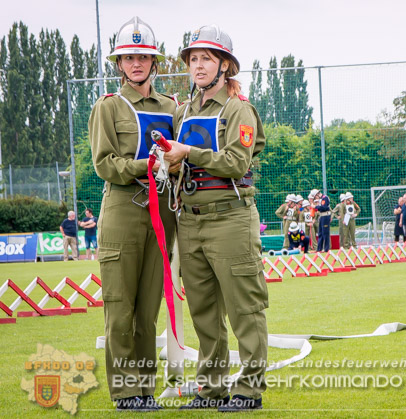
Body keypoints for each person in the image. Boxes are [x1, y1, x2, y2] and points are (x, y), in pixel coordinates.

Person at [161, 25, 267, 412]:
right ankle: (211, 388)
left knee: (244, 307)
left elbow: (238, 162)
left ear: (225, 65)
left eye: (206, 58)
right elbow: (177, 161)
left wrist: (189, 152)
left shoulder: (239, 108)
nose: (198, 65)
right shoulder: (184, 111)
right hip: (190, 220)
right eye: (193, 59)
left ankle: (250, 389)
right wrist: (170, 164)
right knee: (204, 312)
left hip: (230, 218)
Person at [88, 16, 177, 411]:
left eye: (143, 56)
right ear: (119, 64)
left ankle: (145, 389)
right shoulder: (108, 107)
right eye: (128, 57)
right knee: (120, 307)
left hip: (162, 215)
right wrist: (146, 166)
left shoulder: (174, 107)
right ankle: (126, 393)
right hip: (123, 210)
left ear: (154, 62)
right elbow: (105, 164)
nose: (136, 63)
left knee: (148, 309)